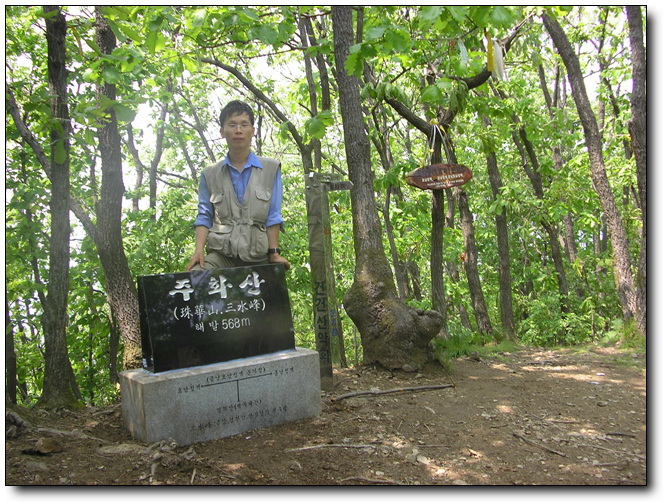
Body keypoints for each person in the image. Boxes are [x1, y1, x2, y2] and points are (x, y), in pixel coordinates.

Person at [186, 100, 290, 272]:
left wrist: (274, 252)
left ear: (252, 131)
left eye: (244, 125)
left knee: (273, 291)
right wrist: (198, 251)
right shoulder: (210, 174)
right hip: (221, 255)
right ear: (222, 131)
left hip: (258, 255)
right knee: (194, 277)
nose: (238, 130)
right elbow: (204, 215)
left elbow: (273, 214)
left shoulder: (270, 169)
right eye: (232, 125)